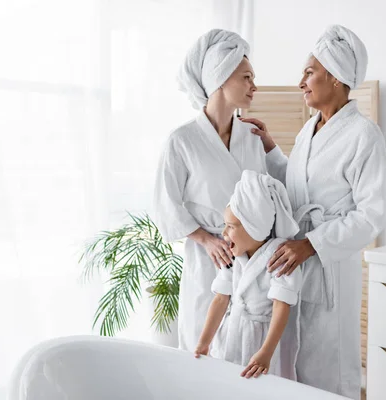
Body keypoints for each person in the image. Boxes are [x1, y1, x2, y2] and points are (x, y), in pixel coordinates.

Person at [241, 25, 386, 399]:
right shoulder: (310, 129)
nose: (301, 82)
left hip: (329, 269)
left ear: (336, 77)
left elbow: (372, 216)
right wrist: (272, 149)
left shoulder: (363, 135)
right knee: (296, 368)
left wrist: (311, 244)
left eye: (309, 72)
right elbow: (299, 186)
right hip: (297, 264)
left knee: (330, 369)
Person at [152, 29, 267, 351]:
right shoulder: (183, 139)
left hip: (250, 256)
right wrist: (206, 239)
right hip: (208, 258)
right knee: (204, 341)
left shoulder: (251, 136)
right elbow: (166, 203)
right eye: (246, 77)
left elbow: (268, 195)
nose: (254, 86)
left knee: (244, 346)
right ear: (220, 78)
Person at [194, 170, 302, 380]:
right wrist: (204, 341)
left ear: (255, 228)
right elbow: (220, 298)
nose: (224, 233)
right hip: (230, 332)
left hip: (261, 339)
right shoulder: (233, 256)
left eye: (231, 226)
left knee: (259, 388)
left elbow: (282, 306)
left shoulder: (280, 256)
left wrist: (266, 352)